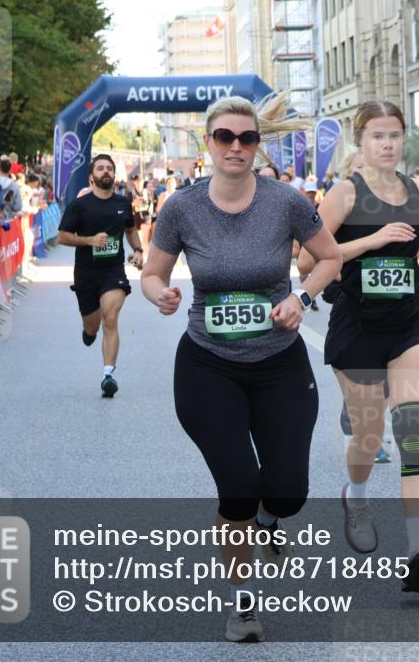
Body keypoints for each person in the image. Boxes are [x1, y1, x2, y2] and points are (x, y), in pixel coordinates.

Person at [141, 96, 342, 642]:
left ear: (257, 144)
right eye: (224, 137)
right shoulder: (181, 207)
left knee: (286, 494)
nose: (235, 147)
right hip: (208, 363)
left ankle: (273, 519)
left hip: (279, 362)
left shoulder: (286, 201)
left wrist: (301, 296)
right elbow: (152, 273)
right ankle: (243, 603)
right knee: (237, 488)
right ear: (208, 143)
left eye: (246, 139)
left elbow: (330, 257)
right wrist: (162, 294)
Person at [297, 100, 419, 596]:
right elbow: (307, 262)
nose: (388, 145)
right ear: (360, 142)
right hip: (357, 324)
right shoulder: (345, 194)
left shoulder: (417, 188)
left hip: (410, 320)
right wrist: (370, 242)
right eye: (378, 137)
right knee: (368, 438)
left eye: (394, 135)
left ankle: (418, 553)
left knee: (413, 432)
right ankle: (358, 496)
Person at [57, 154, 144, 398]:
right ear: (91, 176)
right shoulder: (80, 205)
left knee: (111, 317)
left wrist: (138, 250)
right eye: (101, 168)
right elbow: (62, 236)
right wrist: (89, 240)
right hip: (86, 273)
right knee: (93, 326)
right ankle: (89, 332)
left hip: (113, 271)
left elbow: (130, 229)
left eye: (109, 168)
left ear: (114, 175)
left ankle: (108, 375)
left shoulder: (122, 203)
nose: (105, 171)